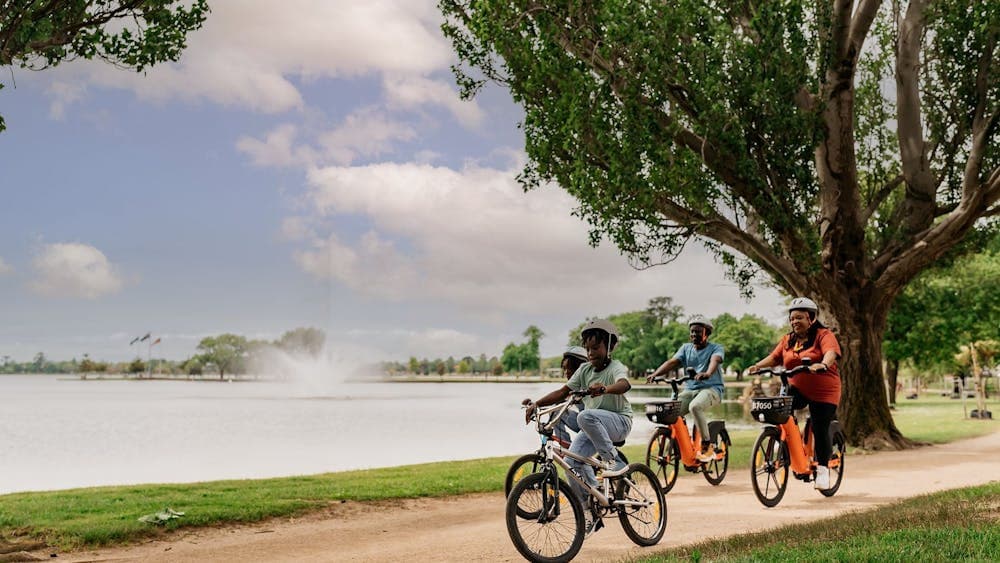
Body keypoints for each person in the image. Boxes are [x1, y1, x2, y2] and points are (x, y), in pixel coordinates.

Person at [523, 319, 632, 534]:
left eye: (596, 348)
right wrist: (537, 403)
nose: (591, 353)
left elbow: (624, 384)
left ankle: (614, 462)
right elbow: (562, 392)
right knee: (571, 465)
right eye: (588, 349)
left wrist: (605, 389)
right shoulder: (584, 371)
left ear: (609, 347)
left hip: (619, 422)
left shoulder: (616, 367)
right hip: (592, 426)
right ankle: (591, 511)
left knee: (585, 416)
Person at [748, 297, 842, 490]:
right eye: (792, 318)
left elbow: (831, 353)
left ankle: (823, 471)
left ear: (811, 318)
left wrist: (823, 364)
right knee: (780, 409)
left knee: (819, 426)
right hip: (798, 388)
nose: (794, 322)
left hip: (824, 391)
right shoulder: (788, 340)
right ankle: (782, 439)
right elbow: (775, 358)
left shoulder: (823, 335)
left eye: (799, 318)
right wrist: (758, 366)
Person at [646, 314, 725, 463]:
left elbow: (716, 360)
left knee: (695, 406)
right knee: (669, 410)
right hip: (690, 389)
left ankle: (707, 445)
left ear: (706, 334)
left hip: (712, 389)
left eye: (698, 331)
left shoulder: (716, 348)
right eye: (692, 331)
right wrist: (655, 374)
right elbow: (672, 362)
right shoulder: (686, 348)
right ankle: (685, 444)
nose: (694, 334)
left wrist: (707, 373)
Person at [550, 346, 590, 447]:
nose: (566, 372)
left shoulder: (590, 384)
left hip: (595, 426)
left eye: (571, 368)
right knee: (555, 412)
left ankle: (570, 452)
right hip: (583, 423)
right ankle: (567, 447)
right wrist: (535, 406)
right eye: (564, 368)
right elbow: (558, 398)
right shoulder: (573, 387)